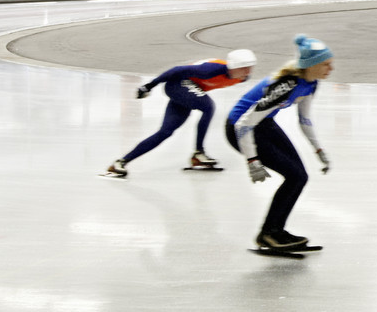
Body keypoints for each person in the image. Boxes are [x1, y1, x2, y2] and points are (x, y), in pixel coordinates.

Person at [227, 35, 335, 256]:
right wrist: (252, 161)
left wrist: (318, 150)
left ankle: (275, 230)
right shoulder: (285, 85)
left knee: (299, 176)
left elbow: (304, 119)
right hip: (240, 128)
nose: (331, 68)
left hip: (263, 124)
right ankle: (269, 233)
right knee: (295, 176)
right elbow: (243, 125)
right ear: (311, 65)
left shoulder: (311, 84)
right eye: (325, 63)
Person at [105, 48, 255, 177]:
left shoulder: (241, 78)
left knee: (165, 132)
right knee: (208, 107)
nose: (248, 72)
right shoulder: (213, 69)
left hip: (188, 92)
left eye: (250, 68)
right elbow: (177, 70)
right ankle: (199, 152)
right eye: (244, 68)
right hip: (177, 84)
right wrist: (149, 86)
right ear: (233, 66)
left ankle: (120, 163)